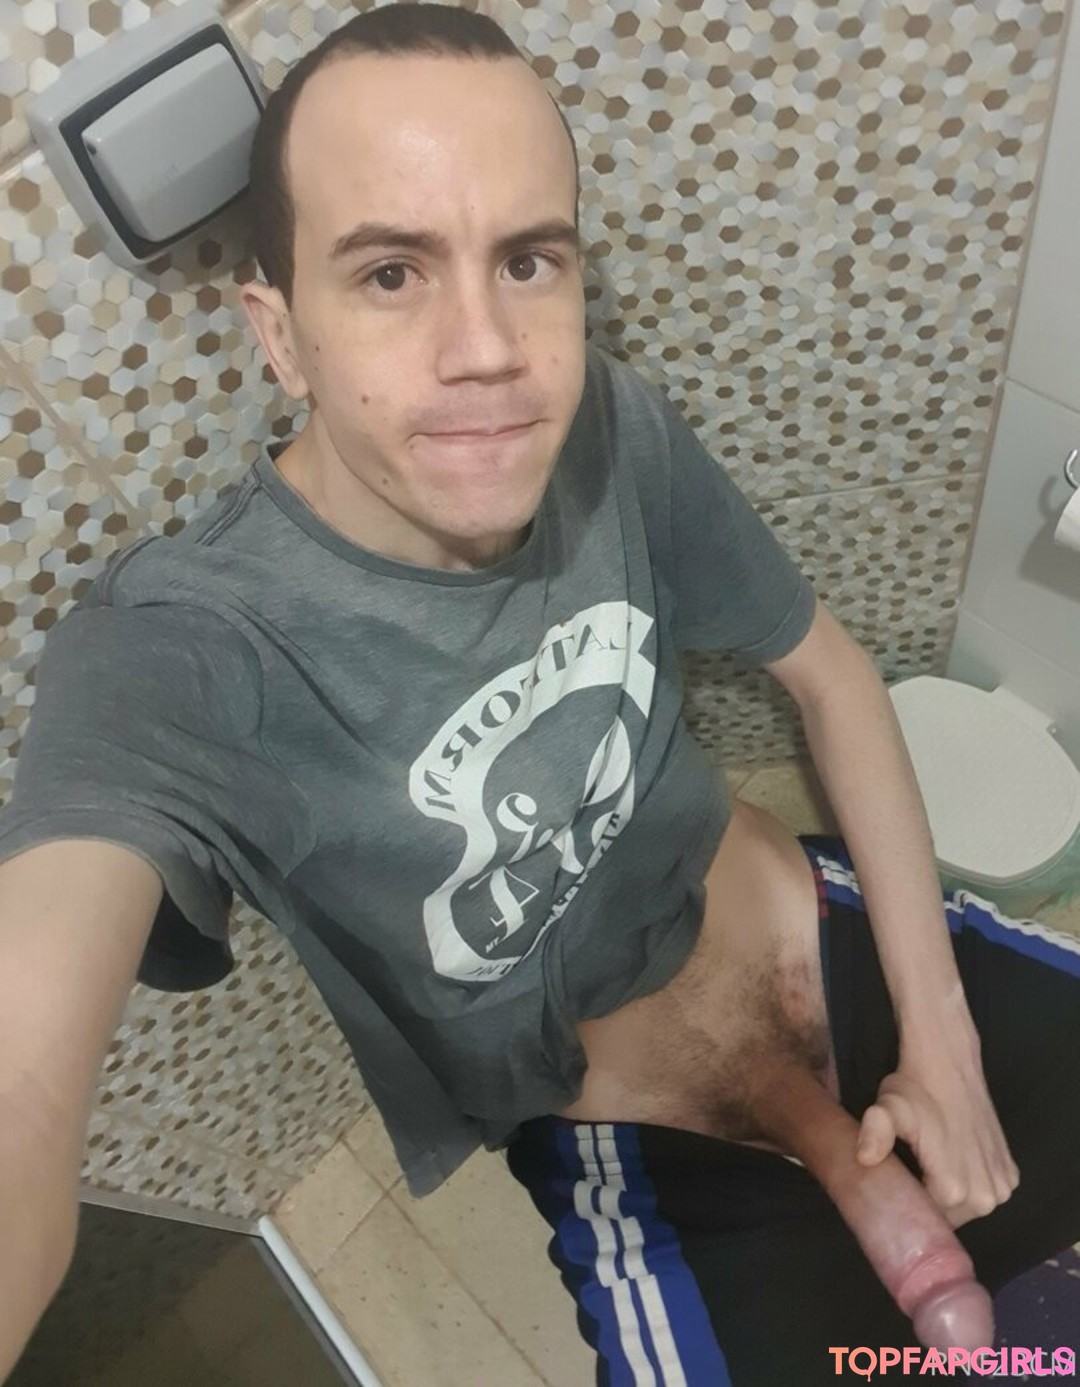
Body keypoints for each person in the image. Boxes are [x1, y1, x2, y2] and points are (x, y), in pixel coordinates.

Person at [0, 4, 1077, 1383]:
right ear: (281, 335)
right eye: (391, 273)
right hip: (624, 1130)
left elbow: (834, 674)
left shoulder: (613, 432)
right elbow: (25, 1085)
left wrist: (947, 1036)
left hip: (820, 925)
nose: (488, 348)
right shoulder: (180, 657)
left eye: (527, 260)